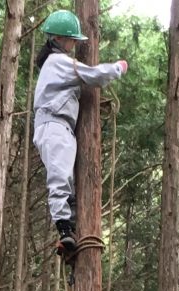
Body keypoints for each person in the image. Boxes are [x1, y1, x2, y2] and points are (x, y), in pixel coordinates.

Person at [34, 9, 128, 253]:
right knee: (60, 177)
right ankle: (65, 229)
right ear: (60, 39)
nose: (75, 44)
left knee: (66, 179)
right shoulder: (58, 62)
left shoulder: (53, 63)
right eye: (72, 39)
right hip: (54, 125)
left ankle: (71, 230)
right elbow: (93, 75)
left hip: (58, 127)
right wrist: (117, 68)